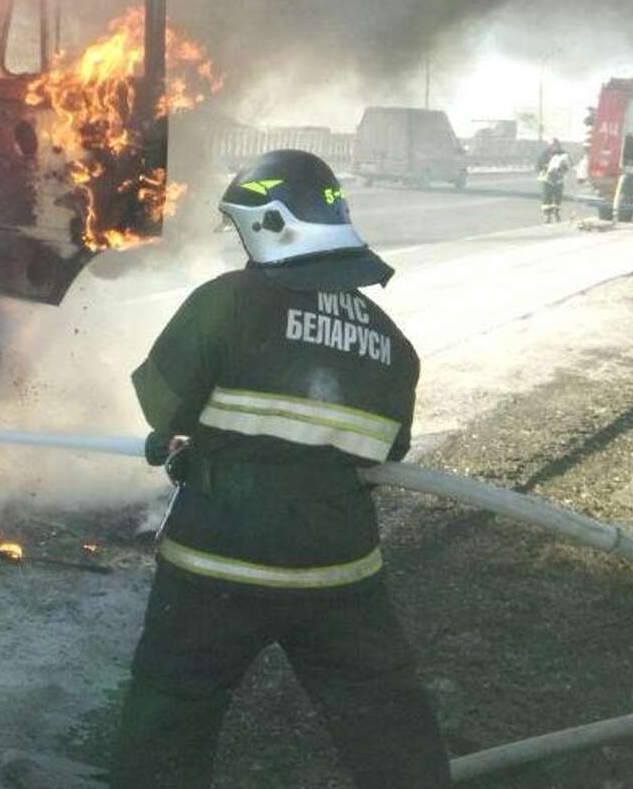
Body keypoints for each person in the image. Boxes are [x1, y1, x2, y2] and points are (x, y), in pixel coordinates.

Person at [113, 149, 450, 789]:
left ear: (270, 225)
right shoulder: (390, 342)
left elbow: (163, 405)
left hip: (214, 567)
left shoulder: (227, 301)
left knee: (170, 716)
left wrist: (198, 443)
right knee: (386, 721)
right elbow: (383, 452)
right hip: (338, 574)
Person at [541, 147, 571, 222]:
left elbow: (566, 168)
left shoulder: (563, 159)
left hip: (556, 181)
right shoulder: (547, 157)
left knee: (555, 198)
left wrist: (560, 171)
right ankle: (548, 215)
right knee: (548, 198)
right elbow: (541, 166)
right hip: (549, 180)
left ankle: (554, 214)